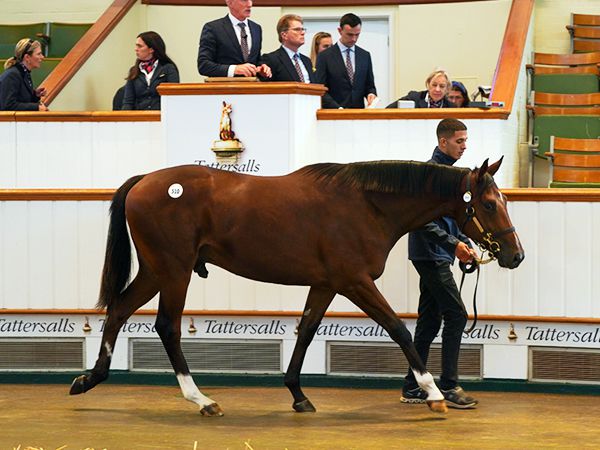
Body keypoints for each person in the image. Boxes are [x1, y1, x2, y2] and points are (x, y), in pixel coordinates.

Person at [400, 118, 479, 410]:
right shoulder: (431, 175)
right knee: (456, 314)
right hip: (430, 254)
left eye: (465, 140)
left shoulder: (451, 175)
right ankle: (448, 384)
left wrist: (464, 243)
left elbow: (451, 218)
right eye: (460, 141)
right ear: (443, 142)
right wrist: (453, 244)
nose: (464, 146)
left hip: (437, 253)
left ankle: (413, 384)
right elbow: (420, 221)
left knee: (430, 320)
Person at [315, 13, 377, 109]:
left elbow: (370, 86)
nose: (354, 39)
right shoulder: (324, 56)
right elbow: (320, 89)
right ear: (340, 31)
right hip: (333, 114)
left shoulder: (365, 55)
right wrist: (337, 108)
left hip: (358, 114)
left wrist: (371, 94)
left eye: (357, 35)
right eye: (349, 34)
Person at [197, 0, 271, 79]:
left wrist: (261, 68)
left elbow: (256, 60)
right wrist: (233, 69)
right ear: (229, 2)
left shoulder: (256, 28)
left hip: (250, 88)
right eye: (244, 0)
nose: (250, 4)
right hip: (224, 88)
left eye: (250, 0)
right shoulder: (213, 28)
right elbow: (204, 65)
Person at [121, 31, 179, 111]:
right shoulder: (133, 71)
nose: (136, 49)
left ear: (151, 49)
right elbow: (128, 102)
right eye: (136, 46)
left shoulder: (168, 69)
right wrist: (125, 120)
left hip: (162, 117)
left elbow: (174, 98)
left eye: (140, 46)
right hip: (139, 118)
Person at [260, 15, 313, 83]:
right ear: (284, 35)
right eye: (297, 29)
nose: (303, 33)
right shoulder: (272, 59)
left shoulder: (307, 61)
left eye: (302, 29)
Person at [0, 38, 48, 111]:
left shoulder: (24, 73)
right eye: (39, 54)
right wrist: (36, 107)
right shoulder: (12, 75)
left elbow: (22, 99)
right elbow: (8, 105)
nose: (42, 57)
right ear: (27, 57)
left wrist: (35, 95)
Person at [386, 69, 455, 109]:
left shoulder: (451, 107)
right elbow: (388, 110)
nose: (437, 89)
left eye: (442, 86)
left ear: (447, 88)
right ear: (428, 84)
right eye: (434, 85)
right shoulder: (413, 98)